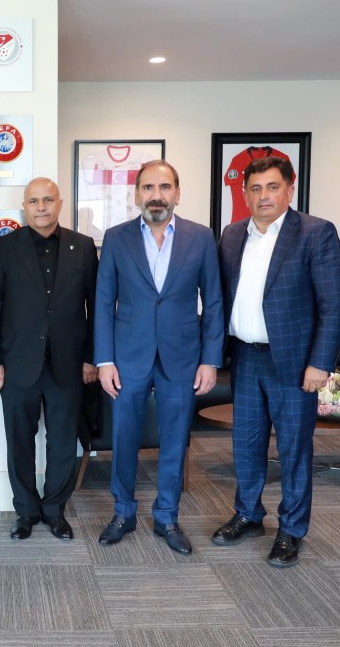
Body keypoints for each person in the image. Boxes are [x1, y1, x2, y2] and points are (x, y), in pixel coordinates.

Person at [212, 155, 340, 568]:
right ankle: (249, 514)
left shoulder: (315, 233)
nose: (264, 196)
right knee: (246, 445)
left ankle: (291, 529)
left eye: (273, 187)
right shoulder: (232, 235)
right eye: (255, 188)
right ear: (244, 194)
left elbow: (333, 305)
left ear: (290, 189)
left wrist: (320, 363)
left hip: (294, 364)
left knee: (293, 450)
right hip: (245, 357)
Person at [94, 160, 224, 554]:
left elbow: (214, 302)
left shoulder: (201, 237)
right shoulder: (115, 238)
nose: (157, 195)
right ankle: (123, 512)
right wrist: (104, 360)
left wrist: (210, 359)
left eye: (164, 187)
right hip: (127, 356)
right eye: (148, 187)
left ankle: (167, 516)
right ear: (136, 195)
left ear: (177, 194)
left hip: (181, 356)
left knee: (175, 439)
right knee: (124, 437)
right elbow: (103, 302)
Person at [0, 177, 98, 541]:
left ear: (60, 204)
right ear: (24, 206)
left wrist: (91, 358)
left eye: (48, 200)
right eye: (34, 201)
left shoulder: (83, 246)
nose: (41, 207)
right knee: (20, 441)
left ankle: (54, 510)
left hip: (68, 363)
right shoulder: (4, 247)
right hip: (17, 365)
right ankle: (26, 511)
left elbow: (96, 305)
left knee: (62, 442)